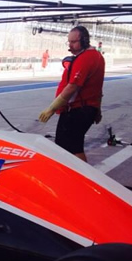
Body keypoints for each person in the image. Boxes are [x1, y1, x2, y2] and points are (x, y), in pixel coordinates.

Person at [38, 25, 105, 162]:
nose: (70, 45)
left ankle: (81, 178)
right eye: (69, 42)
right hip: (85, 108)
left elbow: (72, 87)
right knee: (69, 146)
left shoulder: (85, 58)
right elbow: (97, 88)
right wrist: (97, 109)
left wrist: (51, 108)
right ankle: (74, 177)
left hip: (77, 110)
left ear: (85, 41)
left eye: (73, 42)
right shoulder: (96, 56)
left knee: (71, 148)